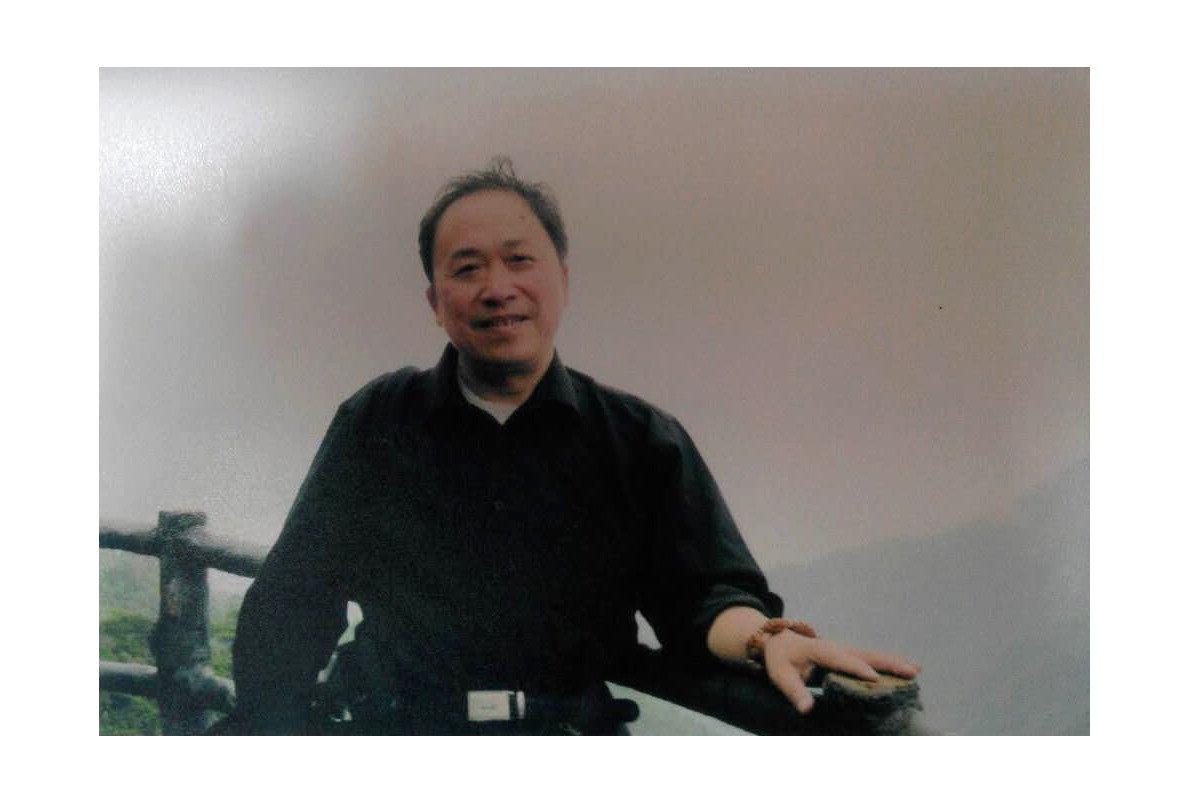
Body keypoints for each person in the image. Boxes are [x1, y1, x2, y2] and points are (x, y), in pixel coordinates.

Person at [230, 158, 920, 735]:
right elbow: (293, 600)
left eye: (519, 261)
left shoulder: (637, 439)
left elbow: (704, 594)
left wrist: (769, 638)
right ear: (436, 302)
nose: (497, 289)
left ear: (562, 281)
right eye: (467, 268)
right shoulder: (379, 420)